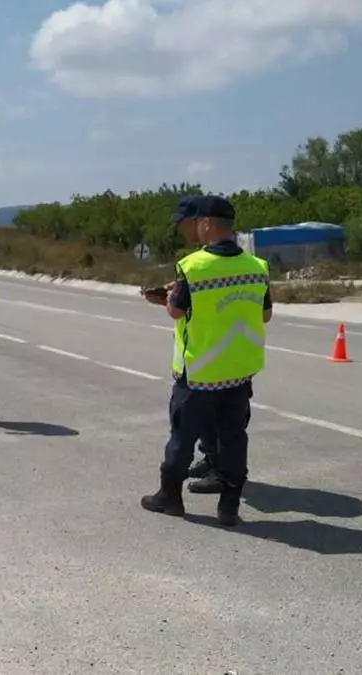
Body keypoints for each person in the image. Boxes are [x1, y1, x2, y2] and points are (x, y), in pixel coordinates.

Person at [140, 194, 272, 526]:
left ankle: (170, 497)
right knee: (233, 437)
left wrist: (169, 297)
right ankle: (229, 506)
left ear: (206, 224)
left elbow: (177, 310)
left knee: (183, 435)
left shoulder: (192, 266)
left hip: (200, 371)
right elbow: (265, 314)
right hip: (239, 371)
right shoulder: (257, 267)